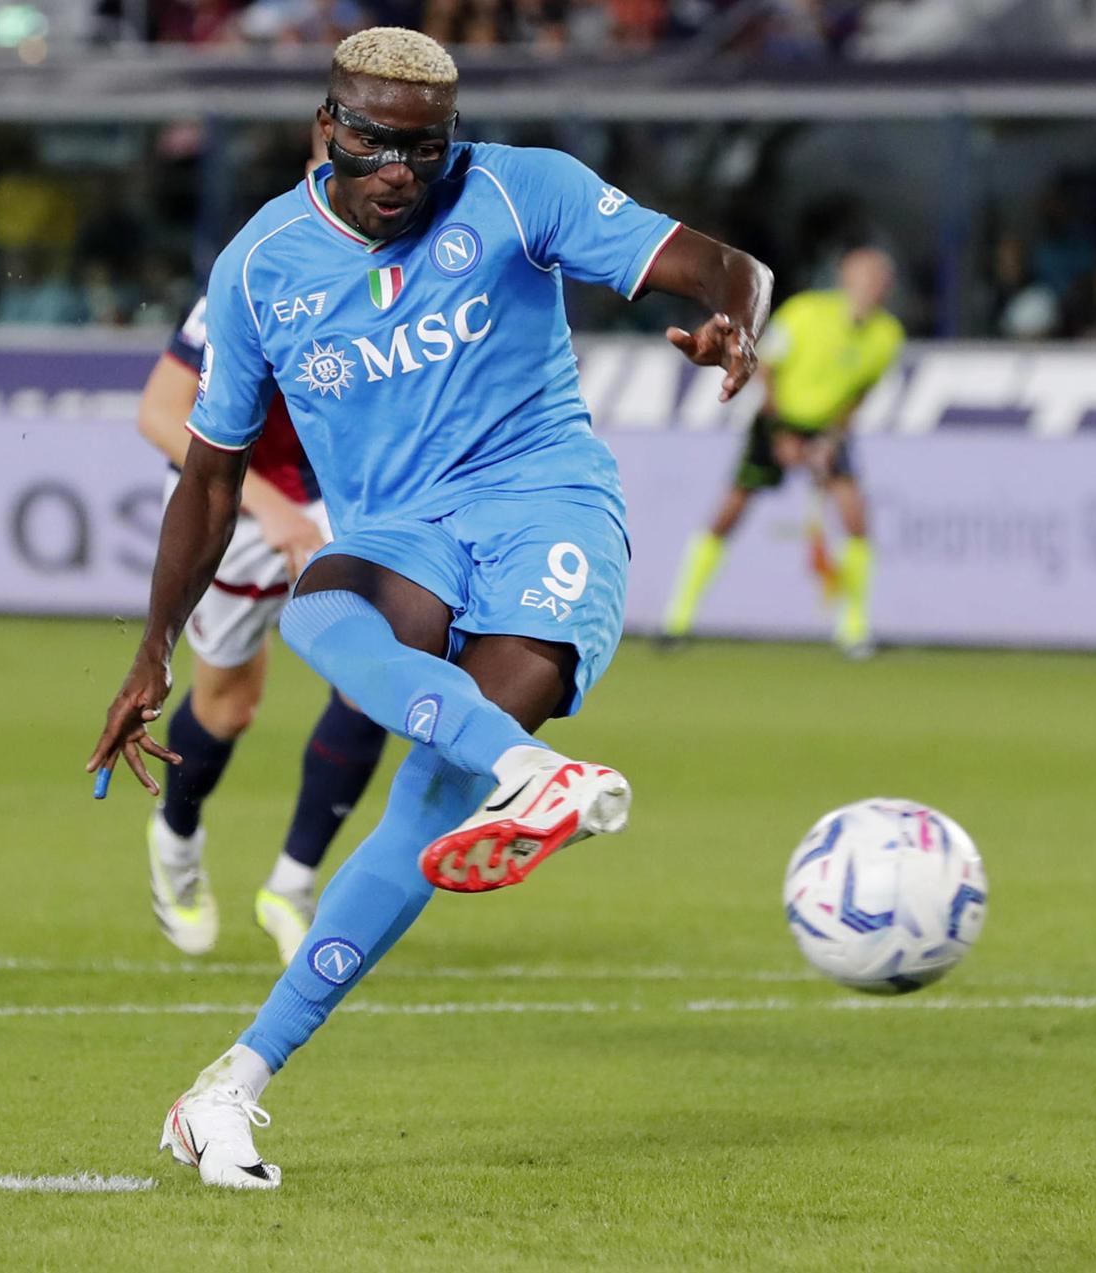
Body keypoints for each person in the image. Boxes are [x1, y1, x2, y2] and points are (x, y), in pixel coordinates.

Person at [85, 27, 770, 1188]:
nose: (404, 168)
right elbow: (209, 478)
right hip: (399, 533)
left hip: (546, 505)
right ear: (326, 130)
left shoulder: (519, 187)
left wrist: (732, 320)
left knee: (431, 803)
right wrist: (152, 650)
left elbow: (722, 263)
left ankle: (229, 1087)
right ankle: (526, 774)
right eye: (377, 144)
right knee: (317, 603)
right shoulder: (260, 267)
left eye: (426, 146)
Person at [137, 284, 389, 966]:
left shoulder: (417, 267)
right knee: (228, 704)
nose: (387, 175)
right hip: (231, 496)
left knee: (378, 677)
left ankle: (292, 884)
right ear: (318, 170)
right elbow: (160, 414)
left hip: (346, 495)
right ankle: (176, 837)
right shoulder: (259, 274)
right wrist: (271, 504)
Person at [660, 247, 901, 657]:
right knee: (728, 515)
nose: (872, 287)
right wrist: (780, 434)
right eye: (865, 277)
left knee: (855, 519)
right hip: (777, 418)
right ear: (846, 277)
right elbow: (765, 368)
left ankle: (854, 630)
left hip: (826, 430)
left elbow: (861, 394)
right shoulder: (805, 312)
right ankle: (676, 621)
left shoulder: (887, 336)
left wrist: (829, 440)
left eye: (879, 280)